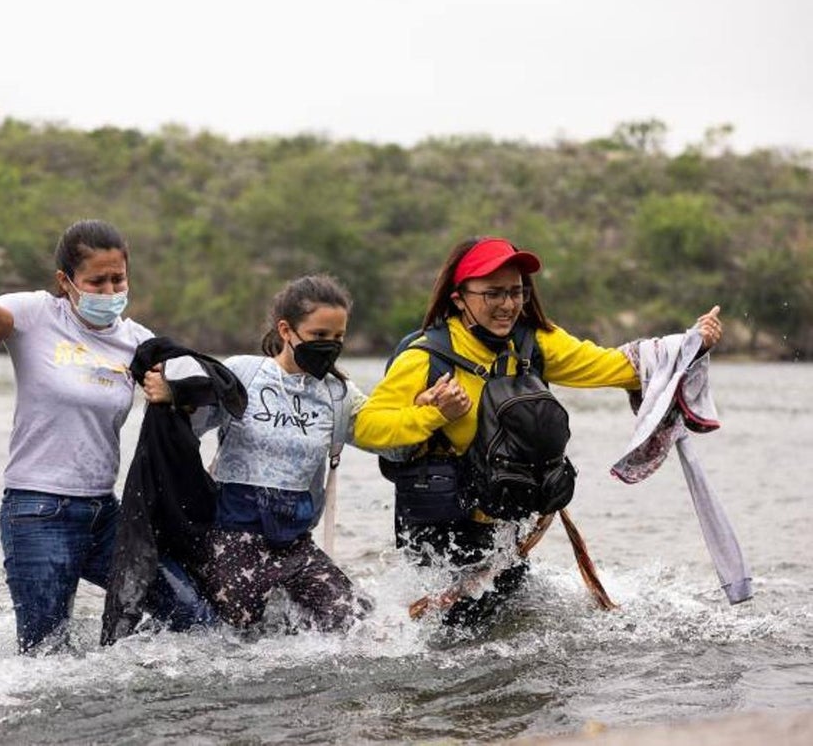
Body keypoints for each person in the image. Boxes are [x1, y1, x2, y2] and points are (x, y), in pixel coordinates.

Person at [353, 236, 723, 626]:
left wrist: (691, 342)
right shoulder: (423, 358)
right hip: (440, 531)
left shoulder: (537, 344)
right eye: (493, 293)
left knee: (505, 628)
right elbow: (367, 428)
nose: (508, 304)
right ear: (459, 298)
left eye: (517, 292)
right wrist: (432, 415)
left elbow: (617, 366)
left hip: (505, 529)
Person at [0, 219, 215, 653]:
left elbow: (203, 391)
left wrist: (173, 390)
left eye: (118, 279)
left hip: (107, 515)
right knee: (45, 656)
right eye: (96, 281)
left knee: (195, 617)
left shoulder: (138, 342)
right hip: (38, 512)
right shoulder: (36, 313)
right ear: (66, 282)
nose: (109, 290)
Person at [148, 274, 373, 632]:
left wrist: (428, 411)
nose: (330, 345)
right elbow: (187, 426)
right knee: (236, 643)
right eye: (319, 336)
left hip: (295, 544)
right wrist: (174, 395)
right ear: (286, 330)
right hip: (231, 541)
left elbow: (389, 438)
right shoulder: (243, 373)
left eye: (338, 337)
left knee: (361, 626)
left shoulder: (339, 394)